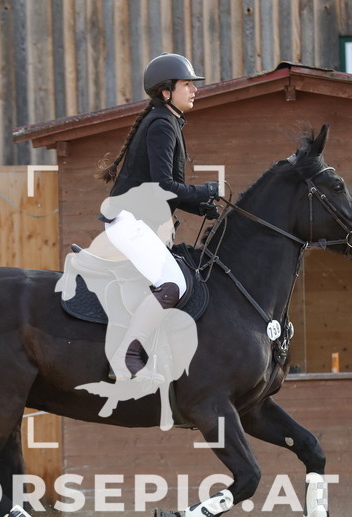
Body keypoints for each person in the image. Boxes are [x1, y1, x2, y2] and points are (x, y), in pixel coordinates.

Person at [96, 53, 220, 381]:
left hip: (134, 222)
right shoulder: (162, 124)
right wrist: (207, 190)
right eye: (187, 84)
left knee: (162, 288)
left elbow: (161, 188)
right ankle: (127, 356)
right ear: (166, 92)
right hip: (129, 223)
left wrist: (199, 205)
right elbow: (165, 186)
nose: (194, 89)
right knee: (174, 284)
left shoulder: (166, 121)